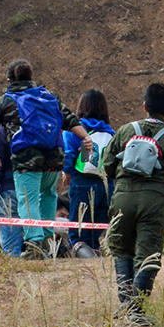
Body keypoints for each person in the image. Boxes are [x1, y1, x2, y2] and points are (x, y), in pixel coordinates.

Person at [104, 82, 164, 321]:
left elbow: (108, 164)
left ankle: (125, 304)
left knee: (122, 251)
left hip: (122, 198)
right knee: (148, 255)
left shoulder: (124, 131)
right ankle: (137, 310)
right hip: (153, 202)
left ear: (144, 106)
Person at [0, 60, 86, 257]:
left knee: (27, 201)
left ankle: (35, 244)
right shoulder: (49, 97)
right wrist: (85, 137)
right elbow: (70, 119)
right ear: (31, 77)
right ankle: (47, 242)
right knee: (48, 195)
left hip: (27, 161)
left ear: (10, 79)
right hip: (54, 159)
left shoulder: (6, 100)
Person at [64, 88, 116, 255]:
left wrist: (68, 172)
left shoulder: (76, 129)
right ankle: (96, 261)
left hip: (81, 183)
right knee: (95, 235)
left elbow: (68, 154)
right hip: (105, 185)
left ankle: (87, 262)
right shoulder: (111, 132)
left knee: (78, 235)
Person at [0, 117, 24, 258]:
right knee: (35, 245)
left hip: (9, 191)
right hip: (35, 191)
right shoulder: (35, 126)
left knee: (11, 252)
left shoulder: (2, 131)